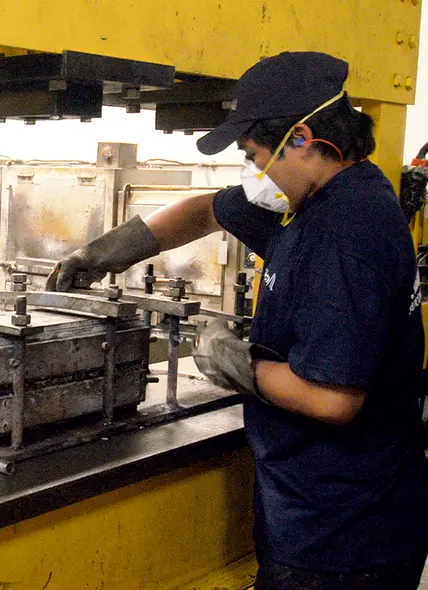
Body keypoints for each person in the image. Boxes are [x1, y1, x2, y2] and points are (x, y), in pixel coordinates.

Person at [48, 52, 428, 589]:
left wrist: (234, 361)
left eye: (253, 154)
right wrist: (102, 254)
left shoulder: (345, 232)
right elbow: (207, 210)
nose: (254, 172)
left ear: (301, 137)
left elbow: (333, 400)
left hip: (344, 539)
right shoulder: (321, 197)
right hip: (324, 514)